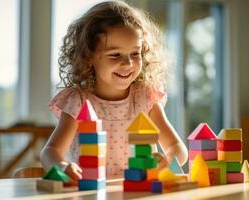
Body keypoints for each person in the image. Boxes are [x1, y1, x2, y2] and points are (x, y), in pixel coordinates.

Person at [41, 1, 188, 183]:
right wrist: (62, 166)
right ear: (89, 56)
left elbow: (177, 147)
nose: (127, 63)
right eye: (115, 54)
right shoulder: (78, 101)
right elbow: (50, 152)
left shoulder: (146, 97)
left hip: (140, 193)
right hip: (92, 192)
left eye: (135, 54)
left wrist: (168, 159)